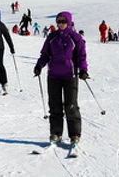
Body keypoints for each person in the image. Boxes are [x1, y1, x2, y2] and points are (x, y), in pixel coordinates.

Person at [33, 11, 88, 148]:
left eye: (64, 21)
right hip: (54, 75)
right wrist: (39, 65)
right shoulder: (52, 37)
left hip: (70, 76)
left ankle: (74, 134)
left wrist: (83, 70)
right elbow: (45, 54)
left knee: (71, 106)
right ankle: (56, 133)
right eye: (59, 21)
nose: (61, 24)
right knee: (55, 105)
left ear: (69, 22)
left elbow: (81, 56)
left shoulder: (75, 38)